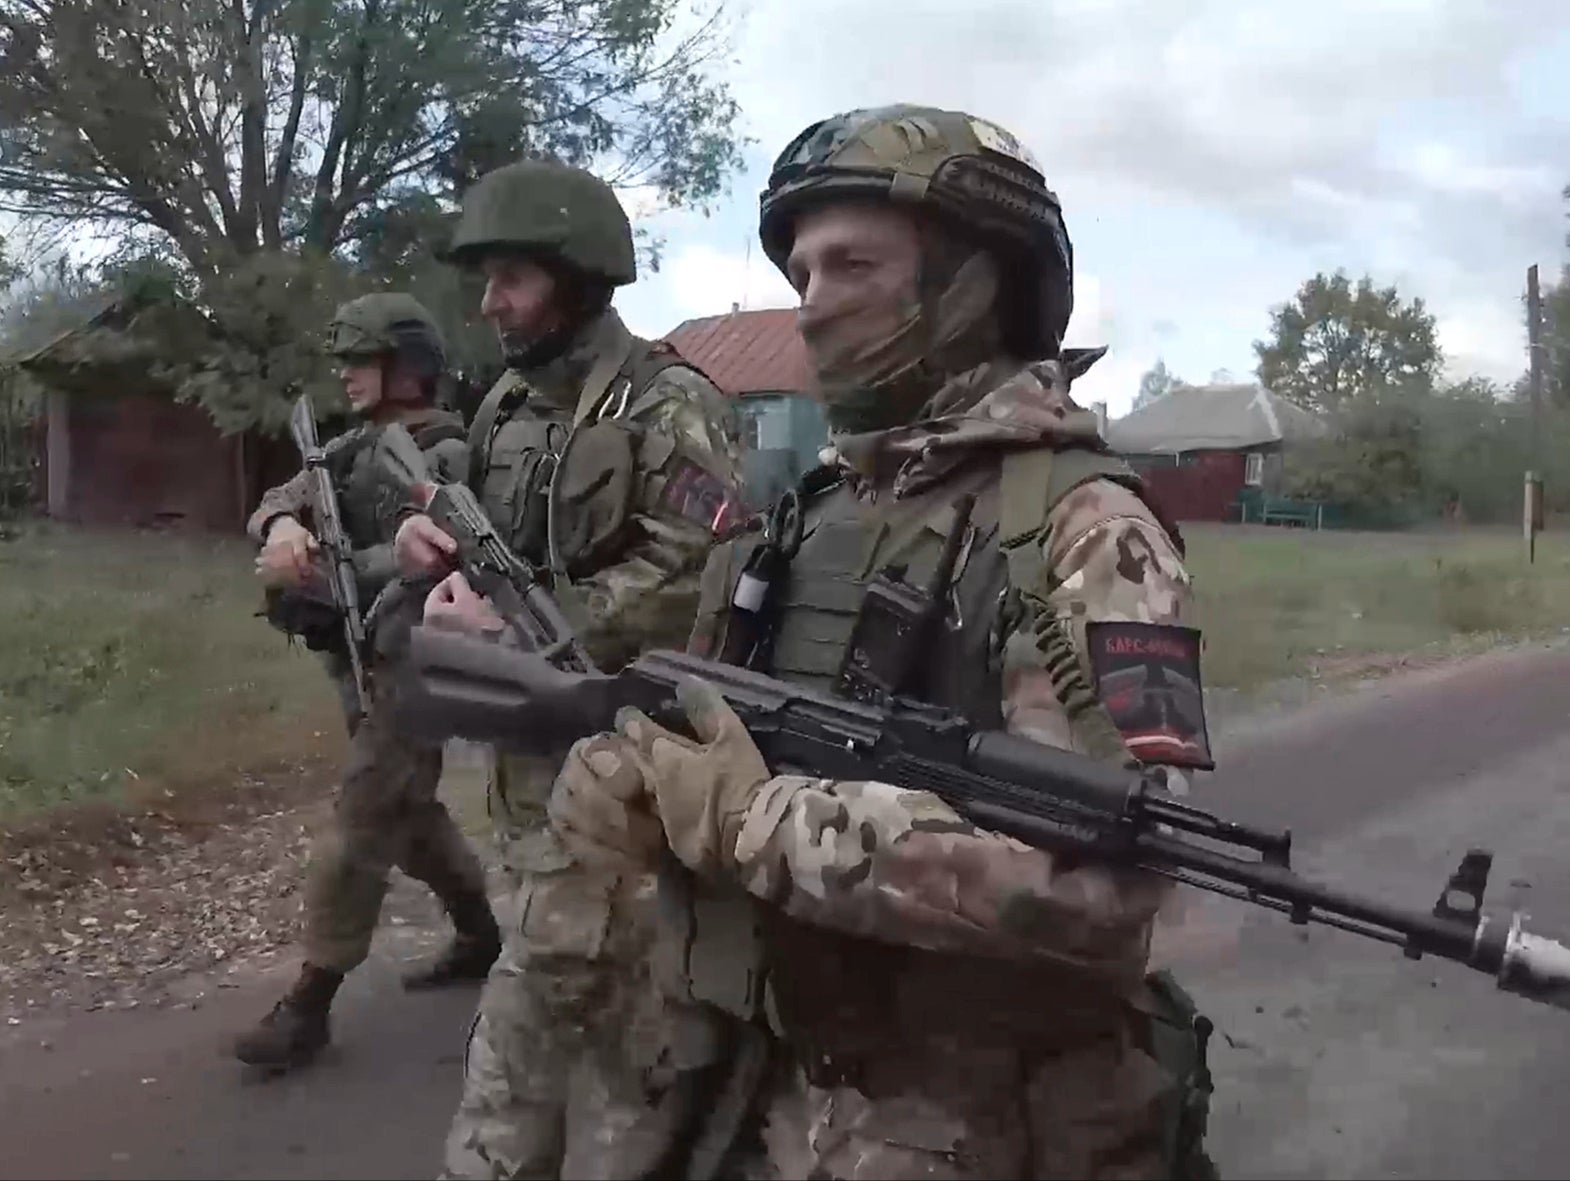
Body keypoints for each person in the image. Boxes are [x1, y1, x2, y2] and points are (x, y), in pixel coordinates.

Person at [546, 105, 1222, 1179]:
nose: (809, 306)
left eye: (849, 265)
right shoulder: (815, 510)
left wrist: (759, 821)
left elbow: (1105, 887)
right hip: (774, 1074)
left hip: (981, 1120)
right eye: (801, 271)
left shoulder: (1083, 530)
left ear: (973, 284)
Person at [388, 158, 745, 1178]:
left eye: (513, 278)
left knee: (592, 1060)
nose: (490, 302)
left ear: (581, 277)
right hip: (522, 777)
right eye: (486, 279)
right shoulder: (506, 404)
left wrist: (547, 630)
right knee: (577, 1025)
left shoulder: (667, 403)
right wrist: (433, 549)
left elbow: (701, 564)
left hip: (628, 782)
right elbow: (482, 530)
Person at [233, 292, 500, 1073]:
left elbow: (448, 552)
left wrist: (339, 566)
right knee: (407, 813)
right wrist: (283, 529)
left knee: (362, 821)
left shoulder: (443, 452)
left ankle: (309, 1005)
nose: (346, 373)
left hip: (417, 663)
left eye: (362, 358)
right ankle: (483, 932)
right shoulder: (349, 446)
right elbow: (288, 496)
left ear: (407, 364)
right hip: (358, 658)